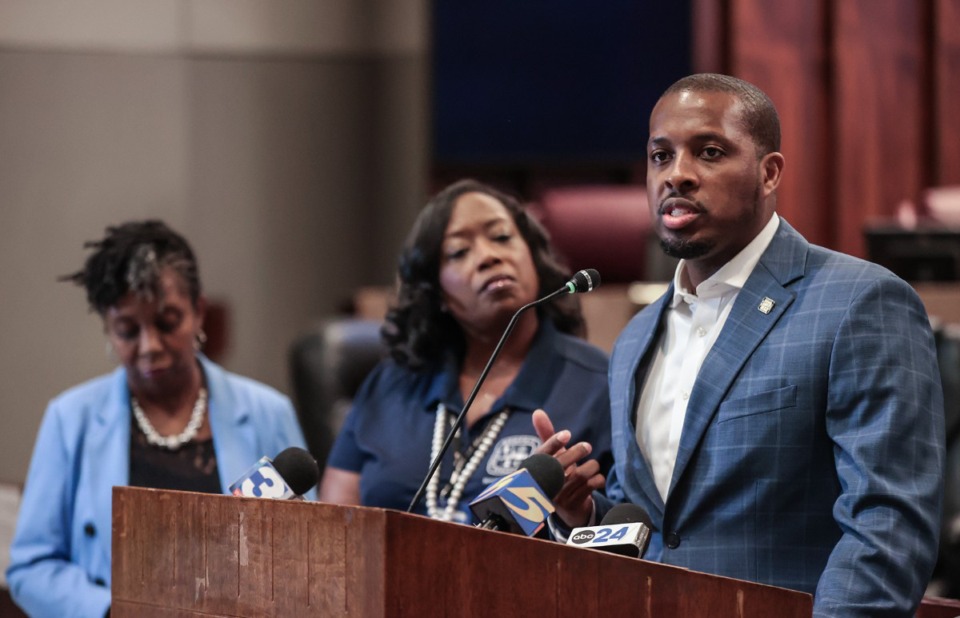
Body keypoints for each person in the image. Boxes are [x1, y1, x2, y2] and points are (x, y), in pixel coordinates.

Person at [535, 73, 944, 617]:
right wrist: (586, 513)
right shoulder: (635, 340)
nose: (677, 175)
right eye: (660, 156)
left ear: (769, 172)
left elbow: (887, 522)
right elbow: (665, 527)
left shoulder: (859, 302)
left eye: (708, 152)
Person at [6, 220, 313, 618]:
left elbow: (314, 554)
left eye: (167, 322)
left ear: (198, 311)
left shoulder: (266, 412)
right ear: (108, 330)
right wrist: (113, 611)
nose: (150, 346)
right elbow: (31, 569)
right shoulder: (70, 420)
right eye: (128, 330)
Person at [320, 179, 611, 524]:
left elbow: (632, 530)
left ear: (533, 255)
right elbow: (335, 525)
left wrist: (577, 512)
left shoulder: (596, 383)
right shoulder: (390, 386)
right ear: (436, 292)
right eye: (459, 252)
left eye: (501, 237)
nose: (488, 256)